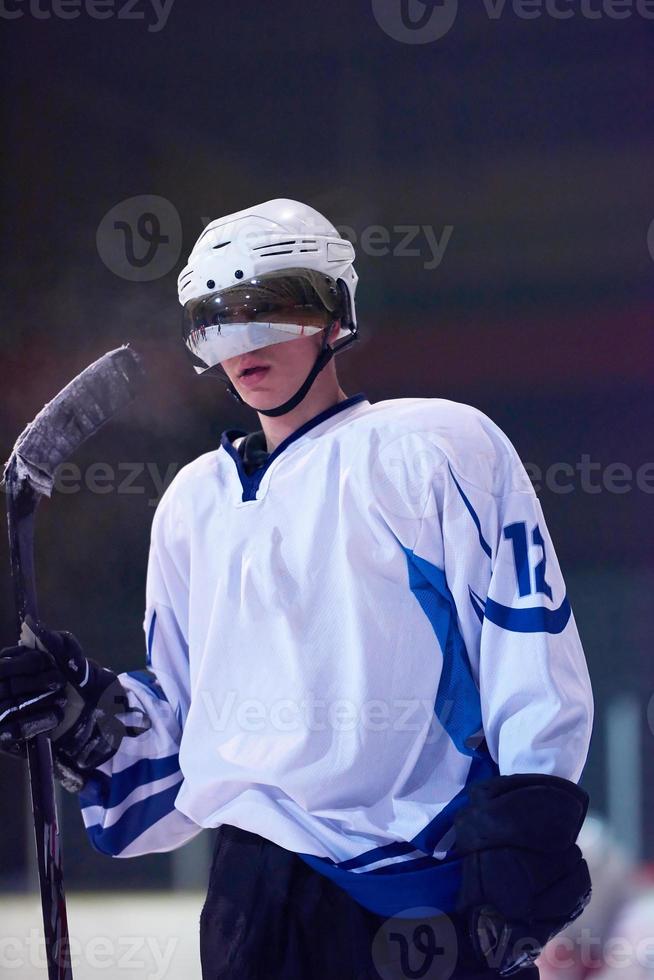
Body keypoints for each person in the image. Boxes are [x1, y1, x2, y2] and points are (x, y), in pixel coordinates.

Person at [0, 199, 594, 980]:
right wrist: (87, 717)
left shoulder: (436, 448)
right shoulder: (192, 502)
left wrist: (529, 830)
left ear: (334, 314)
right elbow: (183, 729)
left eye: (267, 309)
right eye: (215, 319)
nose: (241, 340)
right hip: (252, 904)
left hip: (417, 888)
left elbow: (528, 640)